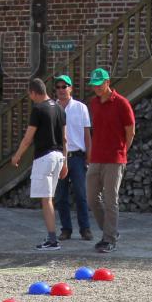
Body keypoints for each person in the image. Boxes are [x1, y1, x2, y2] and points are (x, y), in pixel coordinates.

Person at [11, 78, 68, 250]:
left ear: (34, 92)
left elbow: (28, 138)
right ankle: (52, 238)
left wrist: (17, 156)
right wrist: (65, 161)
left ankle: (52, 240)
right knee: (49, 199)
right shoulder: (59, 108)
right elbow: (65, 138)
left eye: (30, 94)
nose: (31, 98)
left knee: (46, 200)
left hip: (45, 156)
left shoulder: (38, 109)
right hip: (58, 156)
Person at [86, 67, 135, 254]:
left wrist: (122, 151)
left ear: (108, 82)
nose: (96, 87)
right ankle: (110, 231)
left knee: (110, 198)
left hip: (115, 158)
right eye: (94, 84)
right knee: (91, 197)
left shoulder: (122, 103)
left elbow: (130, 132)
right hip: (97, 157)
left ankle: (109, 239)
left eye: (99, 84)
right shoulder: (93, 103)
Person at [52, 74, 92, 241]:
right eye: (58, 87)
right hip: (58, 156)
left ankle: (85, 229)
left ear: (71, 88)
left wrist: (89, 156)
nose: (61, 90)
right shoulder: (52, 107)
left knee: (81, 194)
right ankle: (66, 229)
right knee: (61, 196)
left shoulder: (81, 107)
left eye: (64, 86)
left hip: (76, 156)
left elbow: (87, 133)